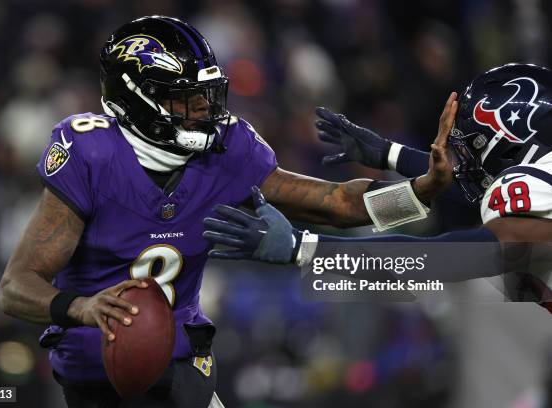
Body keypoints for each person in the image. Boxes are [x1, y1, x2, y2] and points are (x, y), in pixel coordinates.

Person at [0, 16, 452, 408]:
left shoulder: (228, 151)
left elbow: (336, 204)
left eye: (205, 94)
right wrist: (82, 307)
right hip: (92, 376)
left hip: (181, 369)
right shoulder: (92, 154)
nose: (202, 108)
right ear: (135, 98)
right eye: (183, 97)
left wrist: (419, 193)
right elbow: (16, 286)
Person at [203, 63, 552, 309]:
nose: (464, 165)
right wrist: (393, 155)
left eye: (470, 148)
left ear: (509, 141)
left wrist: (304, 249)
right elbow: (453, 188)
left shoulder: (526, 187)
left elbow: (452, 259)